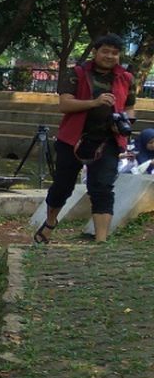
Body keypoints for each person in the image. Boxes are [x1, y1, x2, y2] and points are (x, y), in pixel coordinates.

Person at [34, 33, 135, 244]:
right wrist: (94, 103)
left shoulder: (126, 78)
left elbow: (129, 107)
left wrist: (126, 121)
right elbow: (65, 105)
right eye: (105, 51)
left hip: (107, 142)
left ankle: (101, 241)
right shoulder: (76, 74)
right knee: (63, 186)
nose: (109, 56)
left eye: (115, 53)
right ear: (95, 52)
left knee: (102, 188)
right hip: (73, 139)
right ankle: (50, 223)